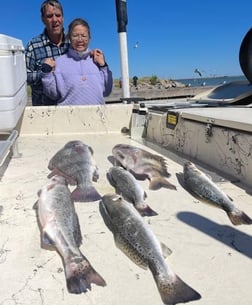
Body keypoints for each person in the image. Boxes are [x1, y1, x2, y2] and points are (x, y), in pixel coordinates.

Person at [41, 18, 113, 105]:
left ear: (89, 38)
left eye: (84, 36)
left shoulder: (97, 60)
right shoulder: (59, 62)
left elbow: (107, 91)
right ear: (69, 38)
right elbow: (53, 94)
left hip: (97, 116)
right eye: (75, 35)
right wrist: (47, 73)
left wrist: (103, 66)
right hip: (68, 116)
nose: (80, 39)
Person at [25, 0, 69, 106]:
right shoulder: (33, 46)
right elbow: (24, 77)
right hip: (43, 113)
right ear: (43, 19)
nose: (54, 20)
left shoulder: (74, 43)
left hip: (71, 108)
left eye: (58, 15)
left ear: (63, 18)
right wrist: (45, 73)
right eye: (49, 16)